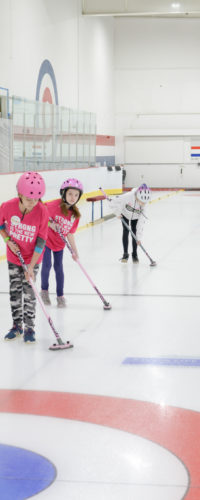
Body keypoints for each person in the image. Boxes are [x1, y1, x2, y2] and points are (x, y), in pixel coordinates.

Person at [0, 171, 49, 342]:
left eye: (36, 199)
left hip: (32, 258)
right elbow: (0, 225)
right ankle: (17, 326)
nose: (33, 203)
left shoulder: (42, 211)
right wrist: (7, 240)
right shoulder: (7, 206)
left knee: (29, 292)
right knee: (15, 292)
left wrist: (31, 267)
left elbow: (42, 242)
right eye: (29, 199)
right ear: (20, 194)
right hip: (14, 258)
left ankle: (29, 328)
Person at [40, 178, 83, 307]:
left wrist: (75, 251)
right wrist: (50, 224)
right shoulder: (52, 205)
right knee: (47, 265)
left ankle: (60, 296)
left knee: (59, 268)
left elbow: (70, 233)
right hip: (46, 241)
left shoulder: (75, 215)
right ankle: (44, 291)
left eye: (76, 195)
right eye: (70, 193)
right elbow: (40, 218)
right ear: (63, 193)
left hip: (59, 244)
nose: (72, 197)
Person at [109, 183, 151, 262]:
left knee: (134, 233)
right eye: (141, 201)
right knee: (126, 231)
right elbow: (112, 202)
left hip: (136, 217)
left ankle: (134, 254)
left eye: (144, 202)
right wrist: (117, 212)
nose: (142, 204)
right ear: (137, 196)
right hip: (124, 214)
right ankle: (125, 254)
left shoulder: (144, 205)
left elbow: (141, 222)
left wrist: (139, 238)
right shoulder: (128, 196)